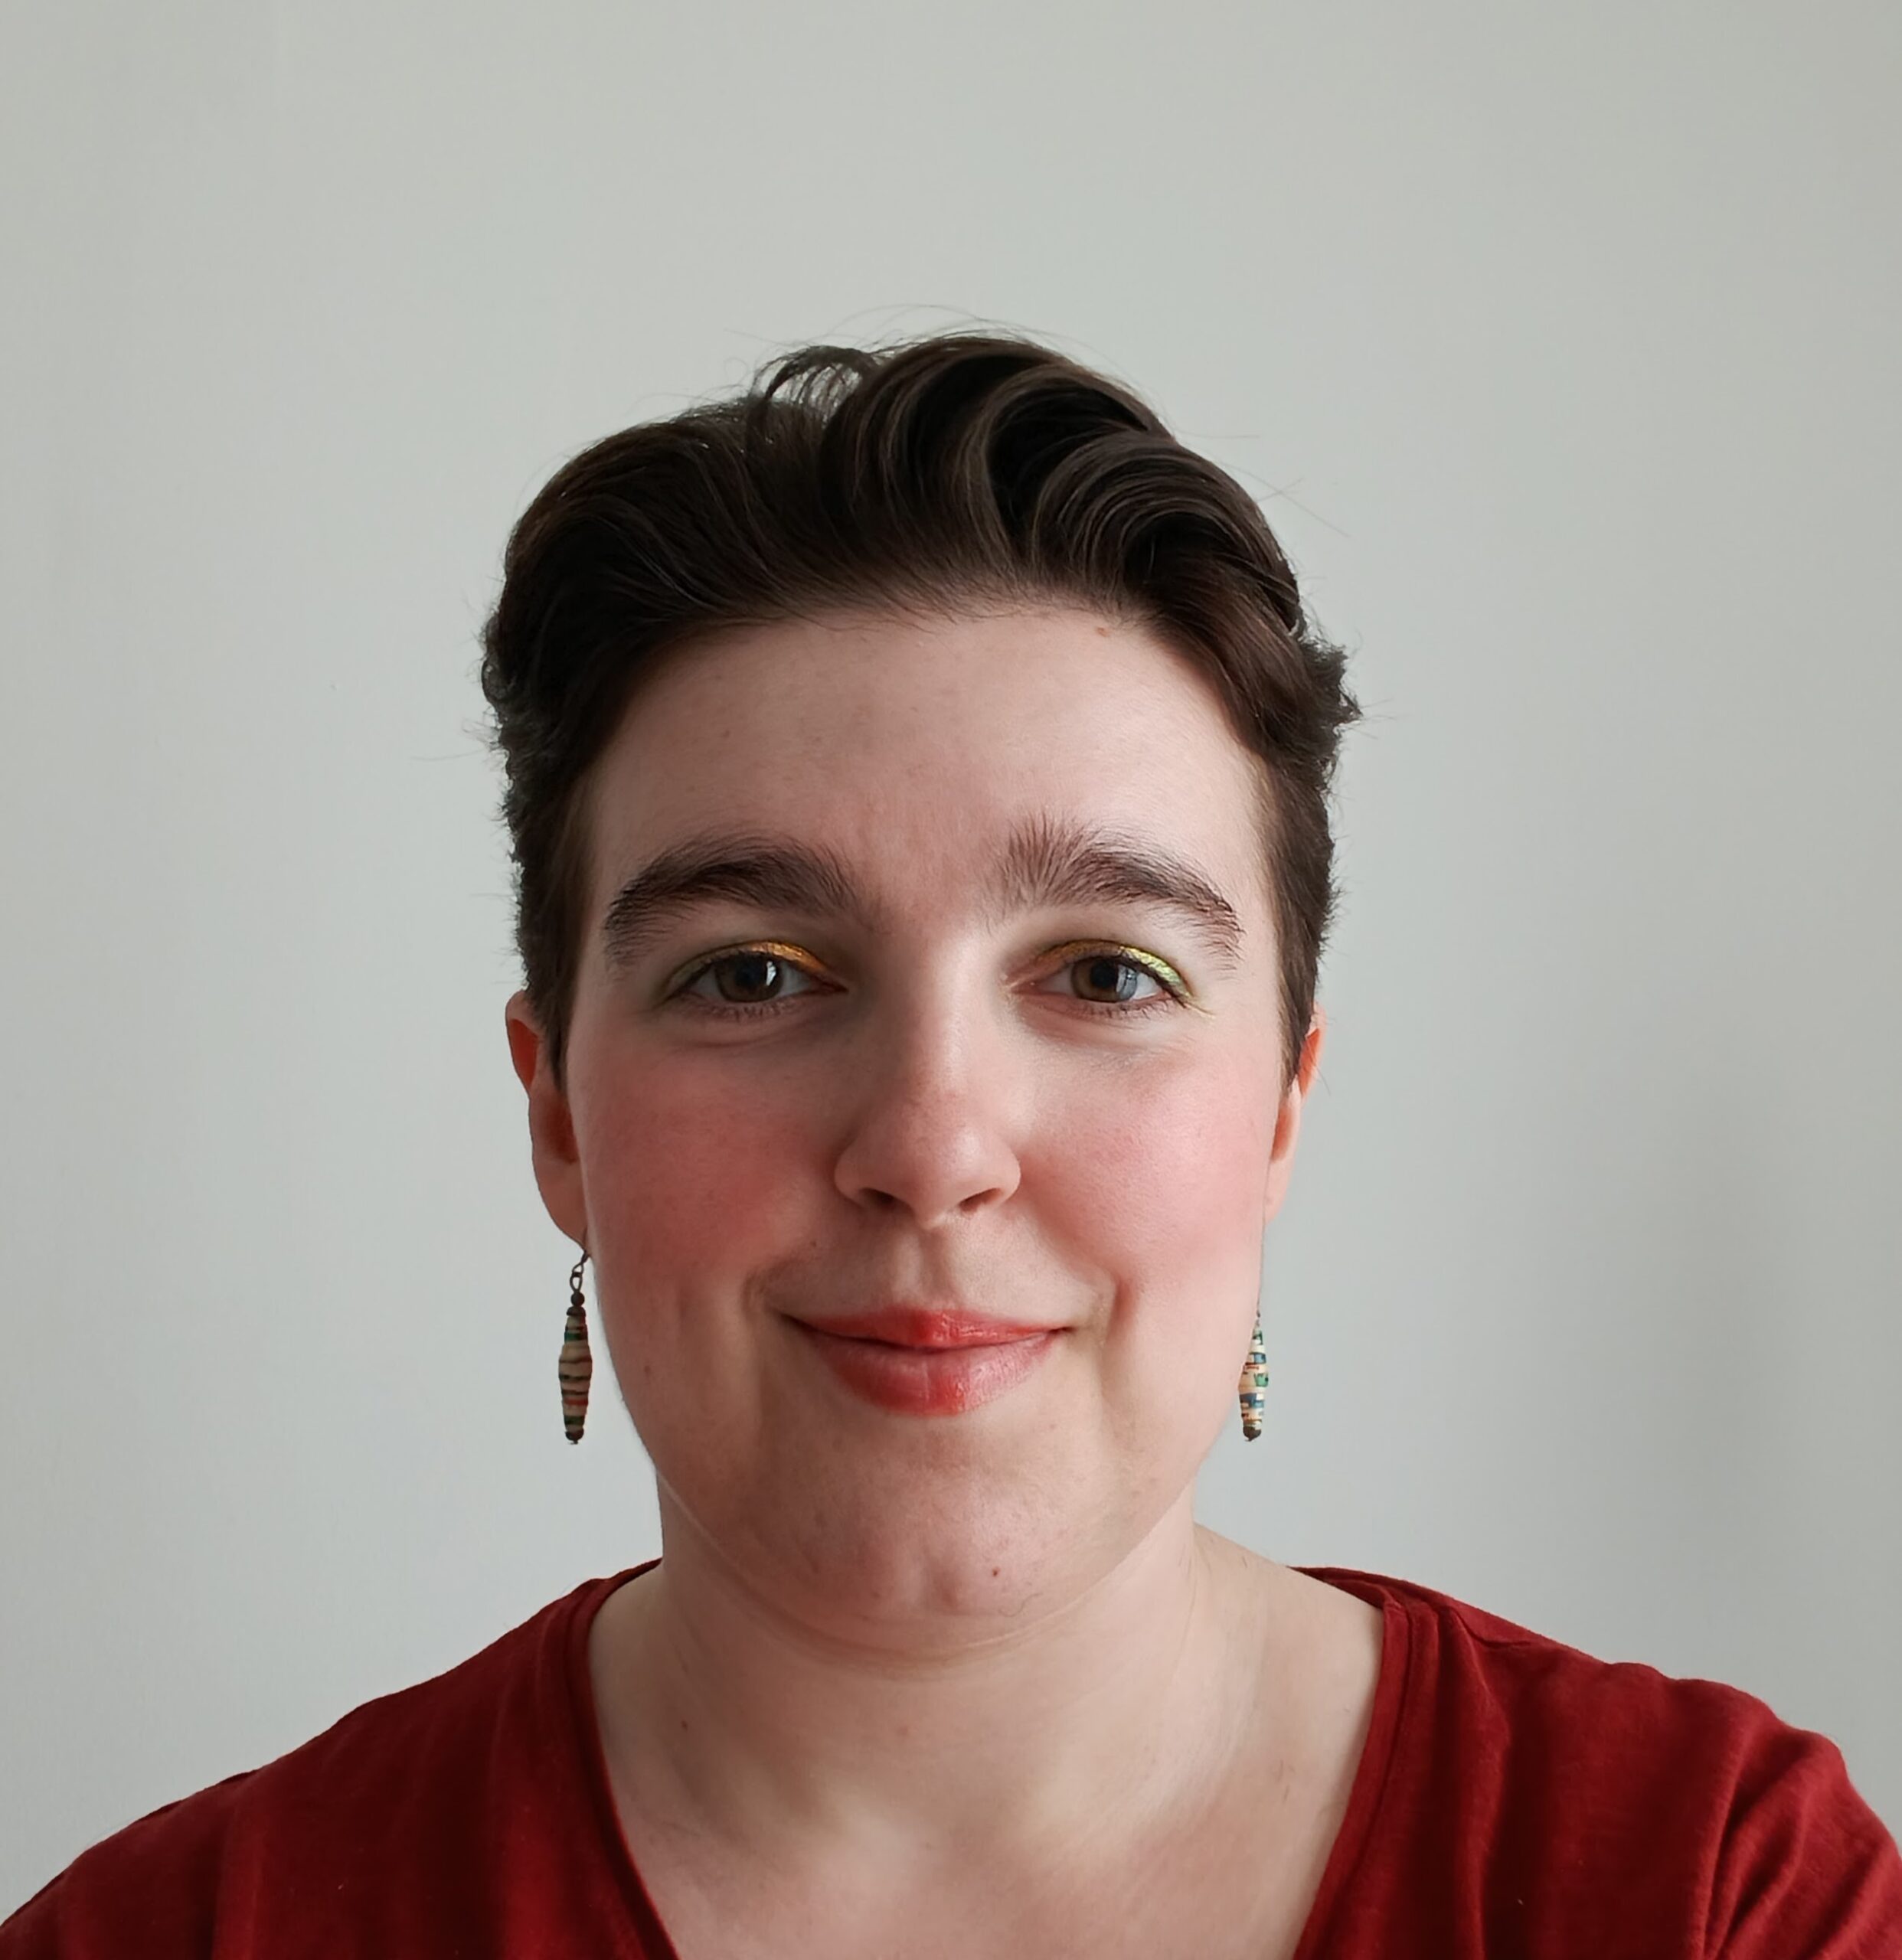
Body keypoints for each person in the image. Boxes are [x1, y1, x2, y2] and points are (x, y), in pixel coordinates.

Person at [5, 330, 1898, 1959]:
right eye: (754, 972)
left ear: (1281, 1111)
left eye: (1104, 971)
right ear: (557, 1109)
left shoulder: (1713, 1891)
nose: (930, 1144)